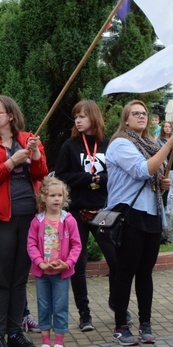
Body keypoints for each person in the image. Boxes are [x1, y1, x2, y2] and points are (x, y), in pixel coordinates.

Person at [0, 95, 47, 347]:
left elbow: (40, 174)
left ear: (11, 115)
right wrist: (11, 162)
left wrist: (36, 154)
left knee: (19, 277)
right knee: (0, 277)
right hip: (1, 218)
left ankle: (16, 332)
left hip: (28, 216)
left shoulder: (28, 138)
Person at [106, 100, 173, 346]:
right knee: (125, 272)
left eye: (145, 114)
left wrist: (162, 184)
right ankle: (120, 326)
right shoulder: (120, 144)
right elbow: (142, 170)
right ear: (126, 119)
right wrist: (169, 146)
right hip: (129, 214)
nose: (141, 117)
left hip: (150, 213)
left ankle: (145, 323)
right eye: (135, 113)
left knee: (145, 273)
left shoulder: (151, 144)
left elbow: (153, 176)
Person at [54, 99, 114, 333]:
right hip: (76, 213)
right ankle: (84, 314)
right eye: (76, 117)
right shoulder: (69, 146)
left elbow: (117, 172)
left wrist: (104, 179)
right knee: (77, 265)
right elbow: (61, 176)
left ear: (94, 117)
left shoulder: (108, 144)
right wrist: (88, 178)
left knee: (115, 260)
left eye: (83, 116)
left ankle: (116, 302)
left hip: (103, 212)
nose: (78, 121)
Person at [27, 177, 82, 347]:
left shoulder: (69, 220)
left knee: (60, 307)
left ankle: (58, 343)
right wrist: (40, 262)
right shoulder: (37, 221)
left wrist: (68, 263)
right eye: (52, 195)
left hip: (61, 274)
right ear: (43, 197)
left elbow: (77, 245)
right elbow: (31, 244)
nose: (56, 199)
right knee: (43, 307)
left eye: (60, 195)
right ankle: (45, 342)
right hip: (43, 273)